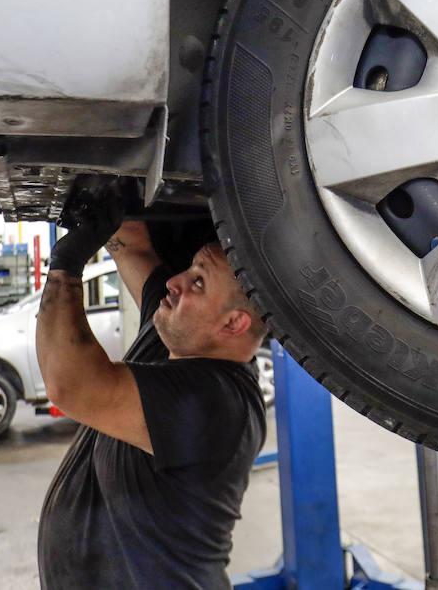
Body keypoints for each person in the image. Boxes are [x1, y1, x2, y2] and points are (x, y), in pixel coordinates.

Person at [36, 192, 269, 589]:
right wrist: (102, 196)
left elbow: (70, 385)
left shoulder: (217, 404)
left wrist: (66, 265)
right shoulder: (176, 333)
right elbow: (133, 246)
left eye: (197, 281)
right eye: (191, 269)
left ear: (234, 324)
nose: (176, 281)